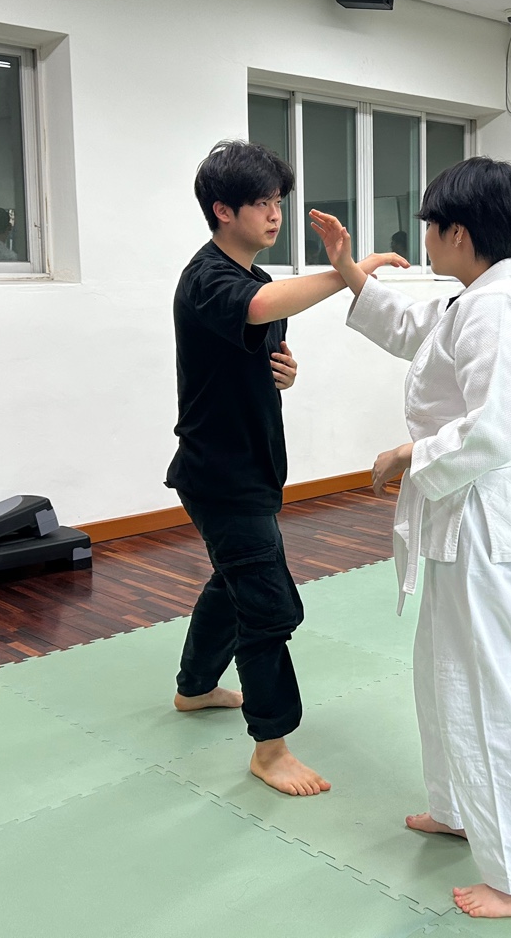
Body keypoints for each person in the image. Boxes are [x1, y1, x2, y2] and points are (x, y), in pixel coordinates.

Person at [309, 156, 511, 920]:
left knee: (487, 689)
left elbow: (491, 427)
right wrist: (348, 269)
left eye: (430, 224)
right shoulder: (472, 298)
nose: (422, 236)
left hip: (484, 513)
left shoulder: (498, 308)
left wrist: (408, 451)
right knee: (442, 670)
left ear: (460, 232)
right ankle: (456, 806)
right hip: (464, 511)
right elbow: (410, 328)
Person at [166, 140, 406, 797]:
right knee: (268, 607)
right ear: (223, 210)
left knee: (233, 581)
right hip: (221, 474)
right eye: (261, 203)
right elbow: (256, 311)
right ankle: (270, 749)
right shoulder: (209, 277)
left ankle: (194, 686)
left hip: (250, 465)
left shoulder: (255, 279)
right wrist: (348, 271)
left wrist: (285, 371)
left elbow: (262, 337)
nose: (275, 214)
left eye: (278, 201)